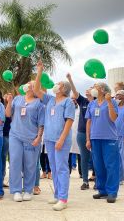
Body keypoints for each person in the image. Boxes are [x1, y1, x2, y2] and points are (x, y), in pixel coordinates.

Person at [34, 60, 75, 211]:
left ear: (64, 89)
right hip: (49, 139)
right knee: (54, 168)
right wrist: (39, 71)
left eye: (59, 84)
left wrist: (62, 139)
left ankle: (63, 199)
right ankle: (57, 195)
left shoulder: (68, 102)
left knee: (62, 168)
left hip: (61, 140)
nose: (56, 85)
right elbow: (36, 89)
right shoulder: (50, 99)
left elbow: (69, 121)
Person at [5, 81, 45, 202]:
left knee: (30, 164)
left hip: (31, 138)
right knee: (15, 162)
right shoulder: (17, 99)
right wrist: (9, 101)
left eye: (33, 84)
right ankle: (16, 190)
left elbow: (41, 123)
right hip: (15, 135)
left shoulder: (40, 103)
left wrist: (39, 137)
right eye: (28, 83)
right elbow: (7, 114)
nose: (29, 85)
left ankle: (28, 190)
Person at [86, 82, 119, 203]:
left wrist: (109, 101)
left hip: (109, 138)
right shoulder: (92, 104)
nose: (93, 88)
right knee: (98, 166)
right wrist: (88, 139)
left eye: (96, 86)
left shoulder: (112, 102)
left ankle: (112, 192)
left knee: (111, 165)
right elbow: (89, 121)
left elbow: (114, 118)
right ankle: (102, 190)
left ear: (103, 90)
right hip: (95, 138)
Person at [66, 73, 94, 190]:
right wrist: (70, 79)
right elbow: (75, 92)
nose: (87, 90)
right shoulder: (83, 102)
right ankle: (85, 181)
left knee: (96, 157)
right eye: (87, 89)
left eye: (90, 89)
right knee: (84, 157)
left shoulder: (98, 102)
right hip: (82, 133)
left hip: (96, 134)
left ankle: (98, 180)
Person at [2, 94, 11, 188]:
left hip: (8, 136)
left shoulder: (11, 108)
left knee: (9, 159)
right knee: (2, 158)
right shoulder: (0, 106)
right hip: (3, 136)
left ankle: (12, 181)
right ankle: (1, 179)